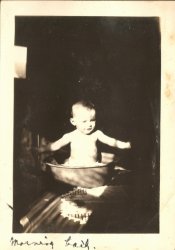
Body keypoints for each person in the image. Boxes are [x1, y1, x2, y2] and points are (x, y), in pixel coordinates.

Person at [38, 100, 131, 166]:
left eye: (92, 120)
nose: (89, 125)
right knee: (61, 162)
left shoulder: (96, 134)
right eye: (84, 121)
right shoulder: (71, 136)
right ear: (73, 122)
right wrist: (41, 150)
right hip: (74, 167)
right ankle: (56, 160)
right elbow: (55, 145)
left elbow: (110, 141)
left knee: (110, 162)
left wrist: (125, 145)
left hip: (92, 166)